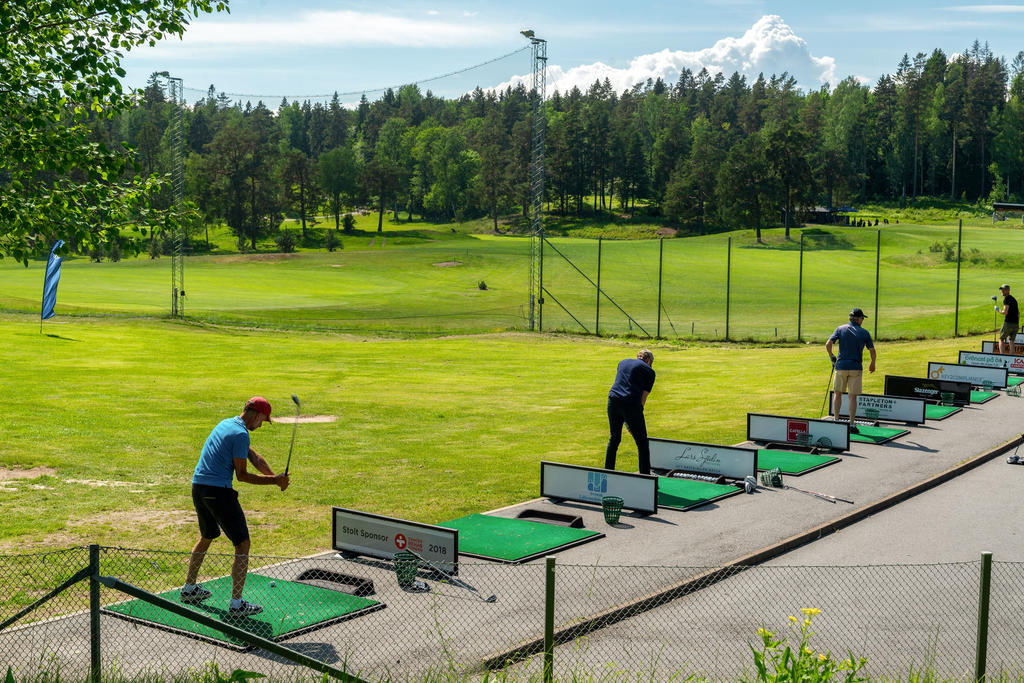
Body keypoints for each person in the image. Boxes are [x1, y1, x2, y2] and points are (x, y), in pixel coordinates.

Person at [181, 397, 290, 617]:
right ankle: (236, 604)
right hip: (218, 492)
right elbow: (242, 476)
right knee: (242, 544)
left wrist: (275, 477)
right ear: (257, 414)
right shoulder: (241, 434)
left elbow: (253, 456)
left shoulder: (227, 424)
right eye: (262, 421)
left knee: (207, 535)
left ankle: (189, 588)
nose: (260, 426)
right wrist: (274, 481)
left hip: (199, 487)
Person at [825, 309, 876, 434]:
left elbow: (828, 344)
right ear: (858, 319)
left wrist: (831, 356)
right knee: (852, 397)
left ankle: (836, 421)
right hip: (856, 368)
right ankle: (852, 424)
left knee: (837, 393)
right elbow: (872, 350)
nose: (862, 320)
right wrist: (872, 363)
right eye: (862, 318)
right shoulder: (864, 332)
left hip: (841, 366)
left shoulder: (840, 329)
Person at [605, 349, 656, 474]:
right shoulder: (649, 371)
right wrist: (634, 420)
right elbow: (643, 398)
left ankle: (608, 472)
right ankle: (645, 476)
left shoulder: (622, 362)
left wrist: (628, 422)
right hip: (631, 404)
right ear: (649, 360)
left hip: (613, 400)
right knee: (642, 442)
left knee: (614, 438)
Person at [995, 284, 1019, 356]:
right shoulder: (1014, 299)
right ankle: (1011, 358)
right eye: (1002, 289)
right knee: (1011, 341)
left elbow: (1005, 312)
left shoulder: (1007, 299)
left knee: (1001, 339)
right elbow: (1018, 313)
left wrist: (998, 310)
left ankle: (1002, 357)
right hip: (1016, 324)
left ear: (1008, 290)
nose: (1002, 291)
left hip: (1008, 323)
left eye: (1004, 290)